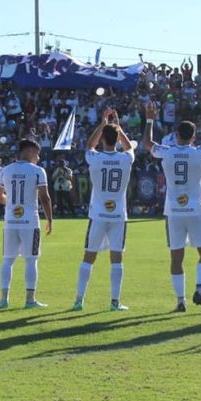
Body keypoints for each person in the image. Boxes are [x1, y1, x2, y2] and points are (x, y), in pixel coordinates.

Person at [143, 99, 201, 313]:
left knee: (176, 257)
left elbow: (147, 144)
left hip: (174, 212)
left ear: (176, 135)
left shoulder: (168, 152)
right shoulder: (198, 151)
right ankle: (200, 289)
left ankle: (180, 301)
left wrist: (150, 120)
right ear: (194, 137)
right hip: (196, 210)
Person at [72, 108, 135, 311]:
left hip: (97, 214)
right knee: (116, 258)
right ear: (116, 140)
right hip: (118, 215)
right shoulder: (126, 159)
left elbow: (89, 144)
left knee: (88, 257)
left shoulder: (96, 158)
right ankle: (115, 302)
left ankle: (79, 300)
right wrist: (118, 126)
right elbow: (128, 147)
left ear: (103, 139)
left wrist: (102, 124)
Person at [0, 139, 54, 309]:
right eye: (36, 153)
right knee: (31, 260)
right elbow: (45, 197)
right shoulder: (37, 171)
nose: (38, 157)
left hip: (11, 221)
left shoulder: (6, 170)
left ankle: (4, 299)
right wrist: (49, 219)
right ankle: (30, 299)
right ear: (28, 151)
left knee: (7, 260)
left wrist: (12, 204)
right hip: (30, 221)